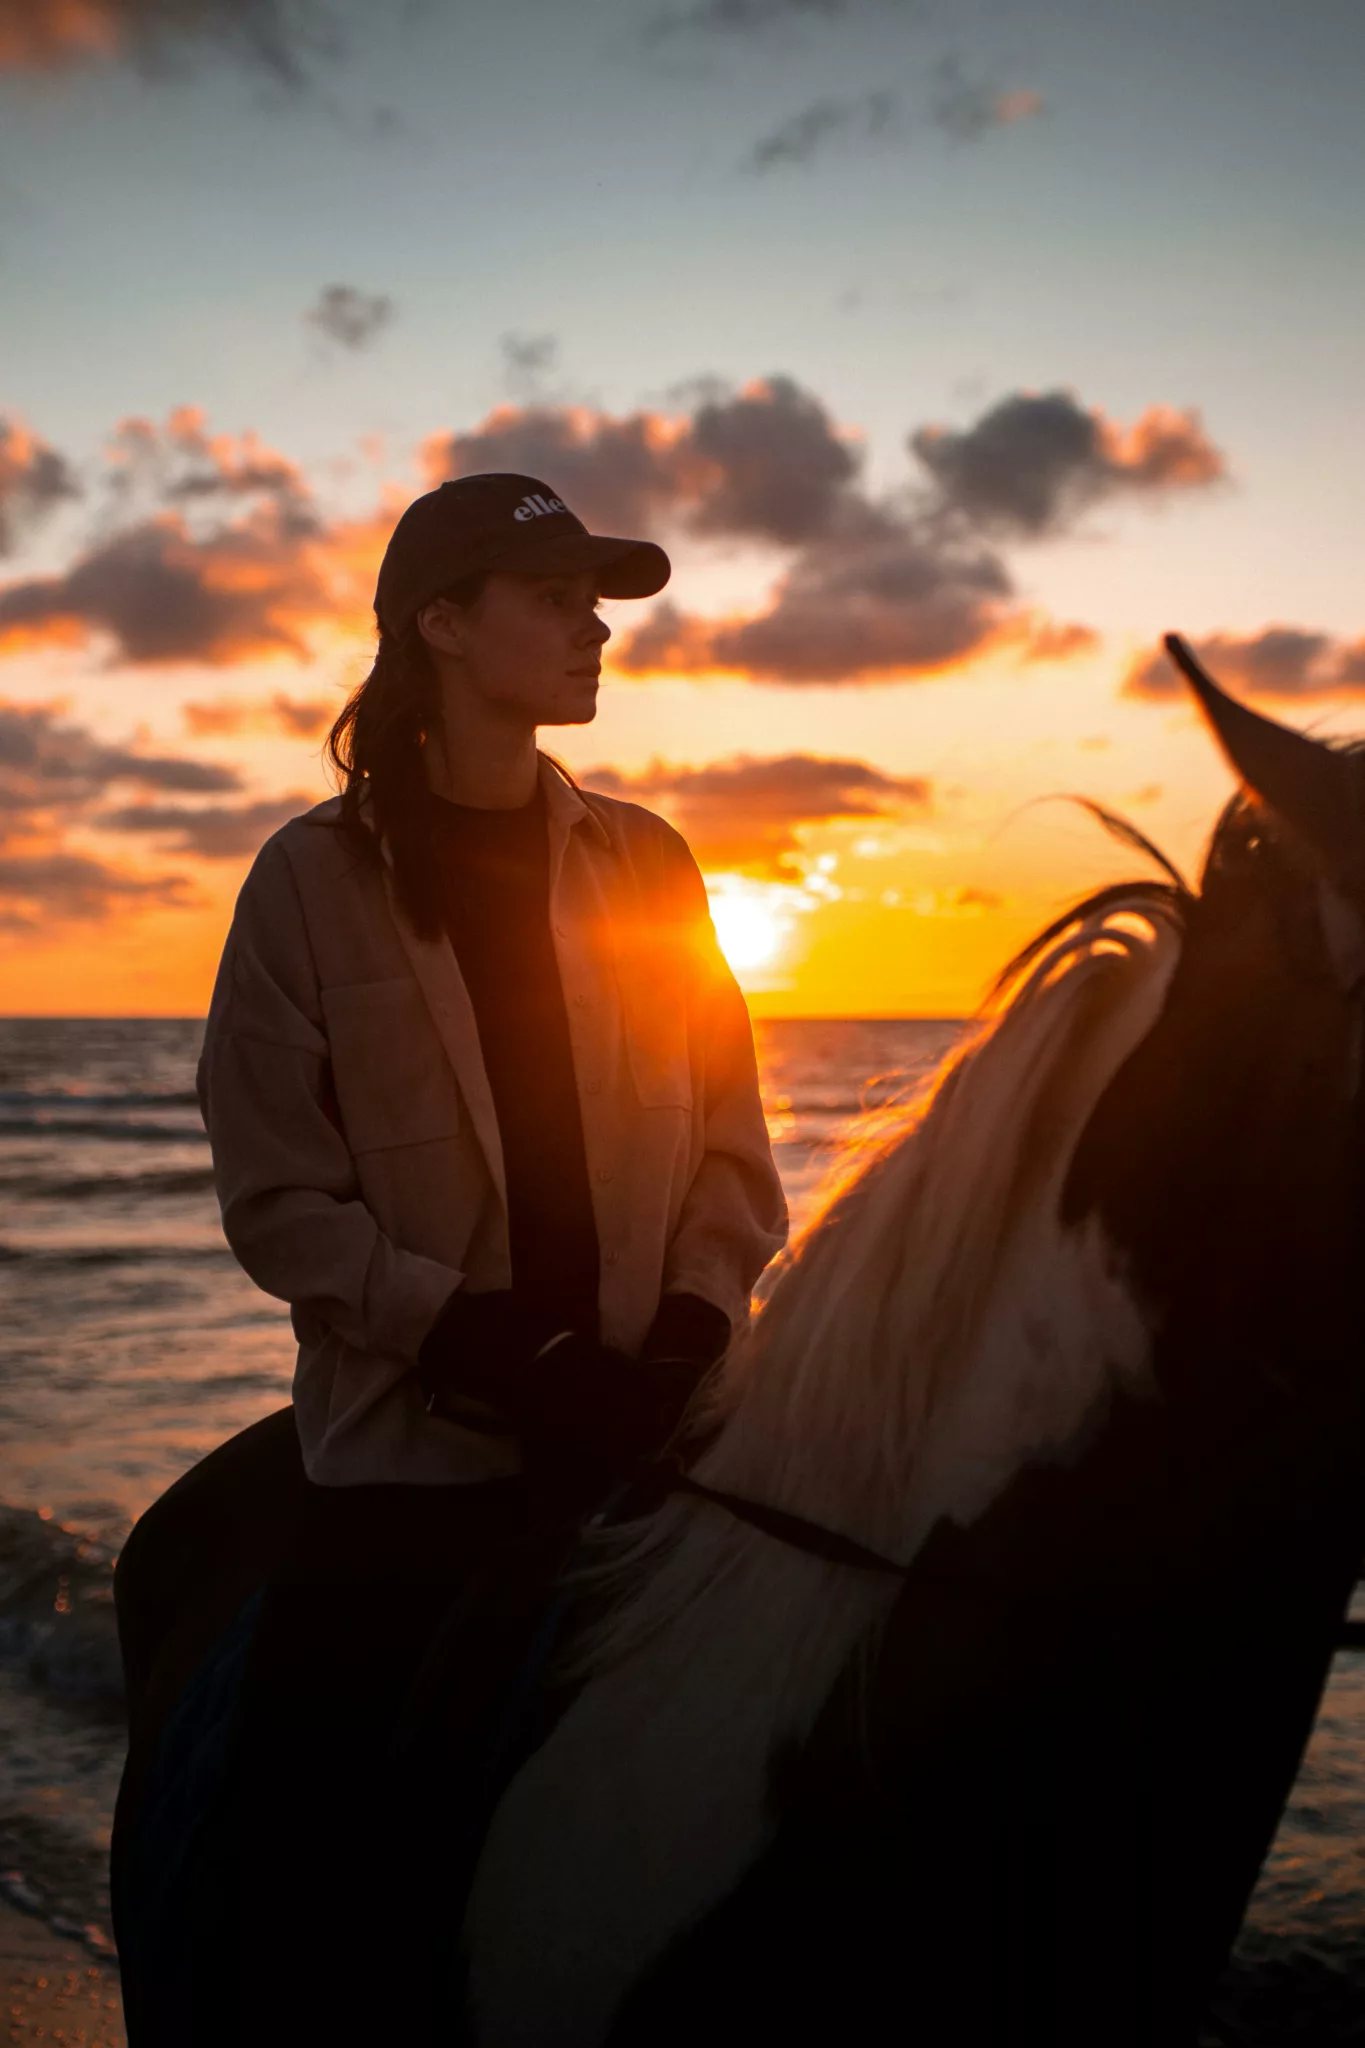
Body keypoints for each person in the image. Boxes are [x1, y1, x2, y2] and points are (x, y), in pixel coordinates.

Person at [173, 471, 787, 2038]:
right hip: (411, 1471)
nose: (595, 630)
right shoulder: (308, 882)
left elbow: (732, 1149)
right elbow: (280, 1195)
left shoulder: (652, 865)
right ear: (441, 625)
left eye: (601, 599)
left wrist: (691, 1336)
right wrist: (478, 1344)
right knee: (294, 1878)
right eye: (556, 598)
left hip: (652, 1456)